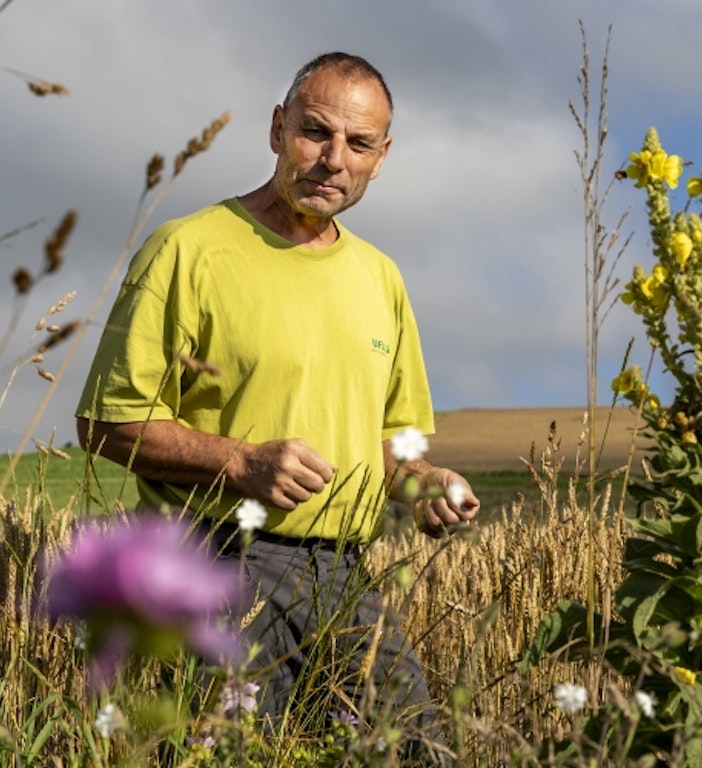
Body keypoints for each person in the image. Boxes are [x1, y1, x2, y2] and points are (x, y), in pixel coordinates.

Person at [75, 51, 480, 758]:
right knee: (232, 756)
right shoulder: (187, 250)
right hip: (219, 560)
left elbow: (395, 441)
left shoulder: (380, 278)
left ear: (382, 158)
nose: (333, 160)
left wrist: (428, 483)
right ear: (276, 129)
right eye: (315, 132)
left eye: (358, 144)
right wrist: (238, 461)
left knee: (415, 750)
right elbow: (106, 422)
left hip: (347, 576)